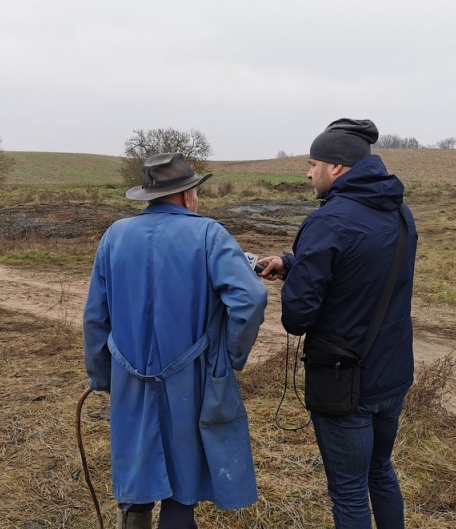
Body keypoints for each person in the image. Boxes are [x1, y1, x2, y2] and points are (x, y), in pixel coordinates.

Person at [83, 152, 267, 529]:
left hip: (128, 378)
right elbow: (250, 298)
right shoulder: (208, 233)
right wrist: (229, 356)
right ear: (187, 195)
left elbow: (94, 318)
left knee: (137, 466)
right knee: (183, 482)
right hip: (192, 379)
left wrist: (103, 377)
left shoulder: (114, 235)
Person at [257, 119, 418, 528]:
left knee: (348, 492)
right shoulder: (400, 211)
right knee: (380, 470)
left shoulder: (326, 222)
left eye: (314, 164)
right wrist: (292, 263)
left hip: (344, 383)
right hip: (392, 374)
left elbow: (297, 318)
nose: (308, 173)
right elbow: (364, 267)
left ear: (338, 167)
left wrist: (293, 283)